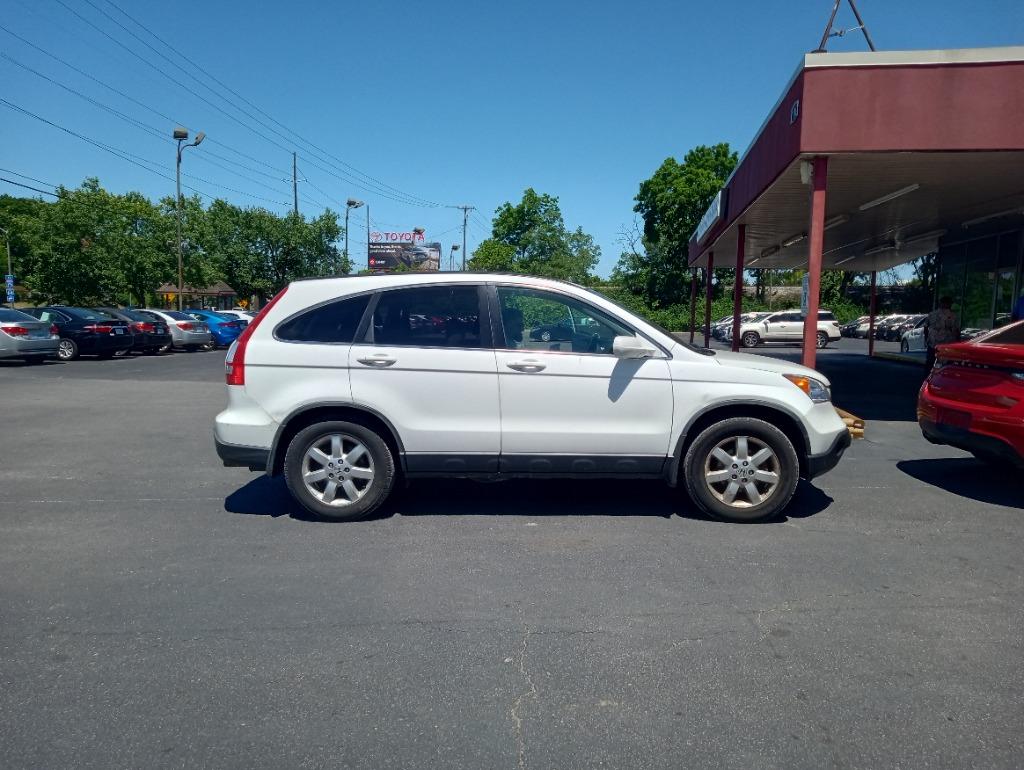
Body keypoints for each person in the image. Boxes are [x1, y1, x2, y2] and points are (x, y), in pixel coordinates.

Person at [924, 296, 960, 372]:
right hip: (948, 344)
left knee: (930, 363)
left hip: (933, 343)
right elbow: (957, 330)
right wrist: (958, 343)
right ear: (949, 304)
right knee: (947, 364)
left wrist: (926, 339)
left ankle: (928, 378)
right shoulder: (954, 316)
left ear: (940, 303)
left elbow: (925, 327)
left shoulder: (932, 314)